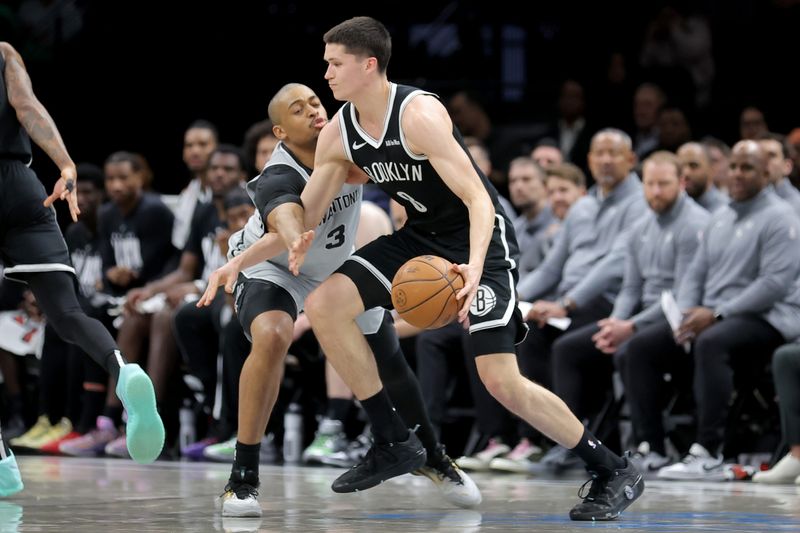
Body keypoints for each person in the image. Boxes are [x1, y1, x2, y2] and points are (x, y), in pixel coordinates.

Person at [282, 17, 643, 521]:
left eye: (334, 63)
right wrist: (289, 234)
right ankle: (390, 438)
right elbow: (311, 208)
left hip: (481, 241)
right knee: (325, 304)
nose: (326, 74)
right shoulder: (340, 131)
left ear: (368, 65)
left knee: (501, 381)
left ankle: (611, 467)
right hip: (419, 238)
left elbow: (478, 198)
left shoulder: (419, 114)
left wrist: (474, 268)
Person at [198, 83, 479, 517]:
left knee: (388, 355)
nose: (313, 109)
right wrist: (294, 239)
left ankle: (432, 457)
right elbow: (285, 217)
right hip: (272, 266)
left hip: (332, 268)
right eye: (298, 109)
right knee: (273, 335)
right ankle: (243, 476)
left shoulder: (348, 143)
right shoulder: (277, 174)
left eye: (315, 101)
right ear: (279, 131)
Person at [0, 41, 164, 495]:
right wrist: (65, 163)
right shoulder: (4, 52)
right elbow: (26, 105)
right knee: (68, 315)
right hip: (23, 187)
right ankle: (122, 370)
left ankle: (1, 463)